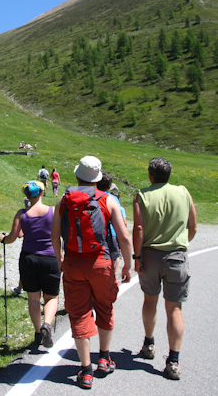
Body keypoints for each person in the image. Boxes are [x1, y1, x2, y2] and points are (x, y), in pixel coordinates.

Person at [51, 156, 133, 390]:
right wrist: (128, 265)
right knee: (104, 307)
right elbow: (124, 237)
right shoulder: (109, 200)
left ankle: (86, 370)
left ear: (77, 176)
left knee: (78, 314)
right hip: (101, 263)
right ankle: (104, 358)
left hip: (74, 264)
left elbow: (54, 235)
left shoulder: (64, 201)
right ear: (97, 179)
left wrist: (60, 260)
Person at [132, 157, 197, 380]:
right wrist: (181, 244)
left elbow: (139, 229)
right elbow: (193, 226)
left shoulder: (142, 195)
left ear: (151, 175)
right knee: (175, 309)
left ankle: (149, 344)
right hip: (177, 256)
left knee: (150, 300)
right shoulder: (183, 193)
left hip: (150, 255)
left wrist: (137, 257)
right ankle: (174, 361)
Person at [0, 180, 60, 348]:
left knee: (33, 297)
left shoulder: (22, 213)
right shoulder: (53, 211)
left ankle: (38, 333)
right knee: (51, 296)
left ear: (27, 195)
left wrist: (3, 240)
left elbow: (12, 237)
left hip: (28, 258)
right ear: (42, 193)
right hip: (50, 258)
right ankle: (47, 324)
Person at [97, 173, 124, 280]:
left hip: (97, 232)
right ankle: (112, 275)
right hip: (111, 232)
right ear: (109, 186)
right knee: (114, 255)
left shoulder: (92, 195)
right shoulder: (113, 198)